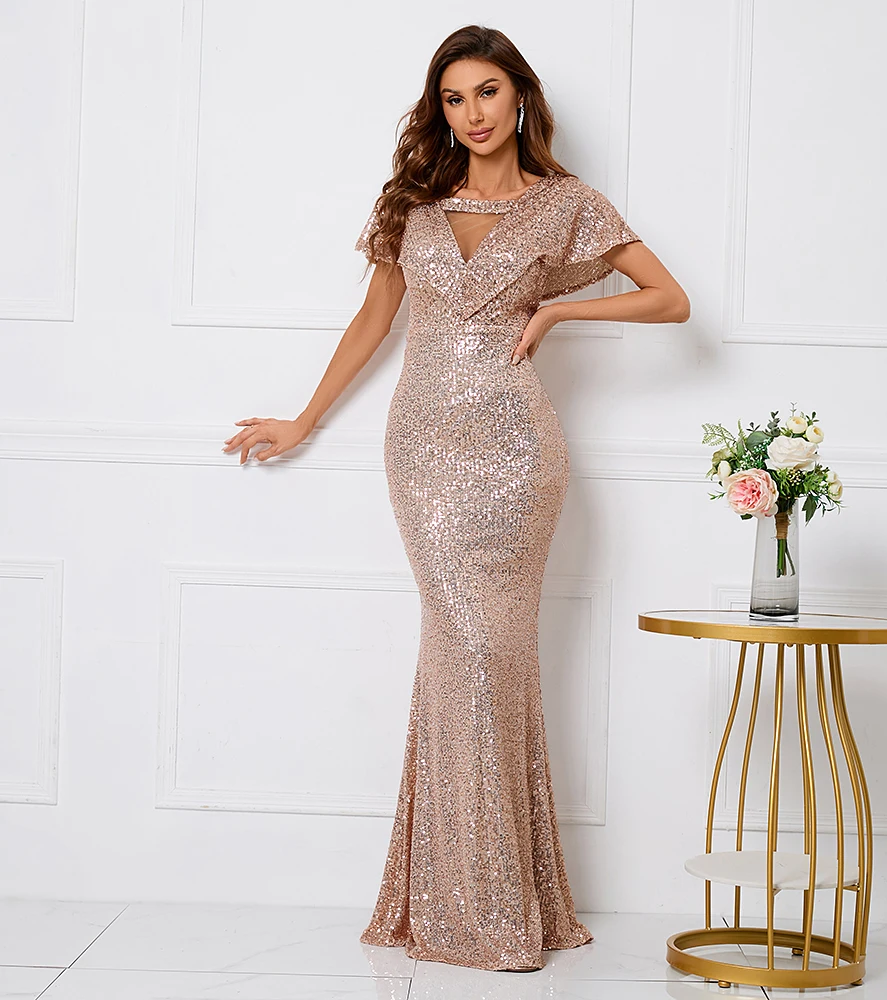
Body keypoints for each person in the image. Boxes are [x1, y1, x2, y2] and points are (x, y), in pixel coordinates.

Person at [222, 24, 689, 973]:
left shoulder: (568, 205)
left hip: (518, 451)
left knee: (494, 656)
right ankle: (462, 901)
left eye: (486, 92)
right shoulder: (413, 208)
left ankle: (497, 901)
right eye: (452, 98)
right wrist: (305, 419)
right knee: (460, 651)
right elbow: (374, 319)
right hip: (425, 452)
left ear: (520, 99)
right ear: (439, 111)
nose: (471, 113)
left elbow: (669, 299)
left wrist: (559, 307)